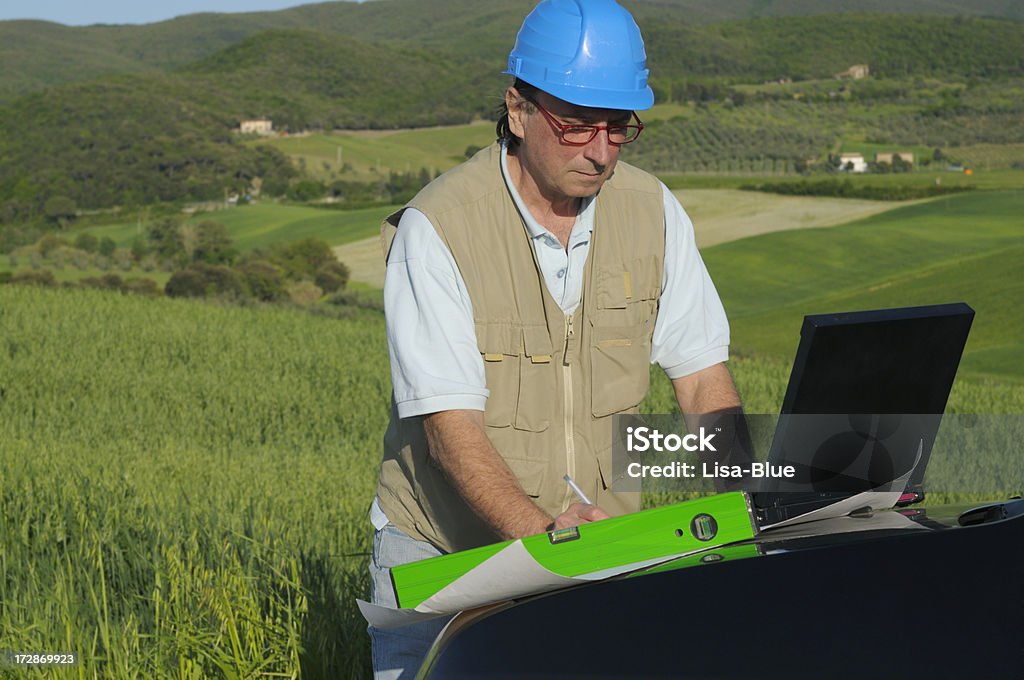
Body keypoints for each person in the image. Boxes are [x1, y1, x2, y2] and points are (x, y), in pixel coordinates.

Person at [367, 0, 743, 677]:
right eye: (576, 126)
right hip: (449, 564)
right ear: (518, 110)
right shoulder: (439, 228)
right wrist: (548, 540)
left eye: (618, 128)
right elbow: (451, 429)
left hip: (602, 551)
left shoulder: (654, 212)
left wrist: (751, 507)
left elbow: (701, 380)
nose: (600, 153)